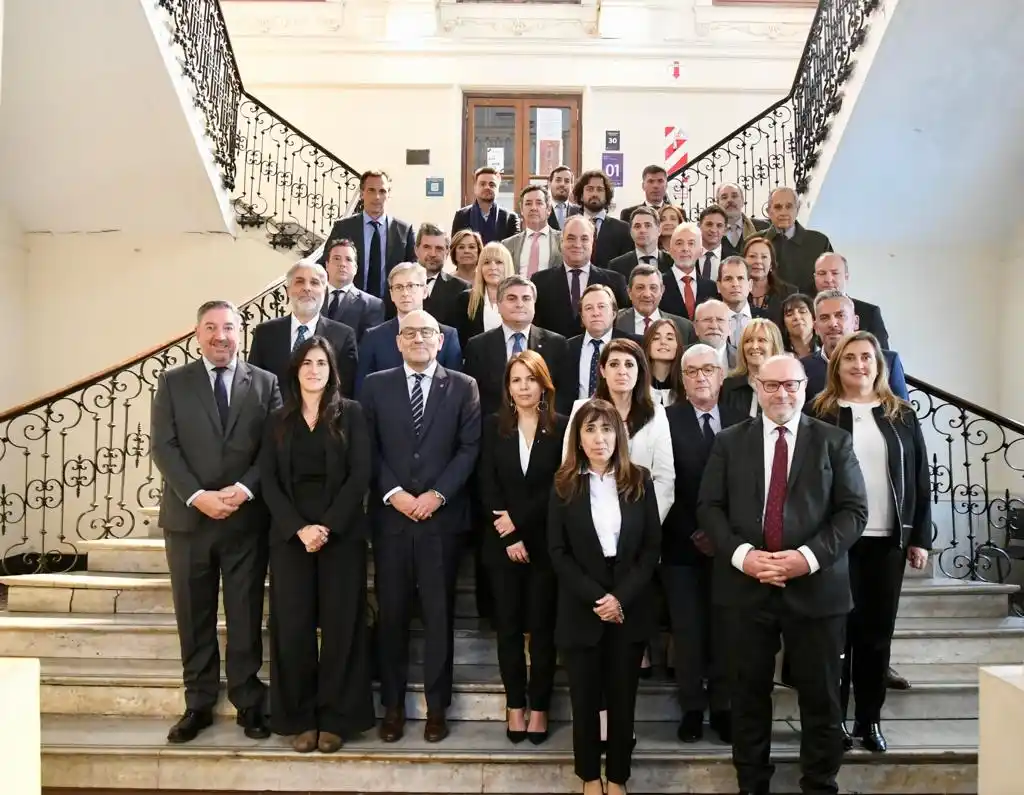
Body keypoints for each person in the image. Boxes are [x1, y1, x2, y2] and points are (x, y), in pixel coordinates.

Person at [697, 354, 868, 795]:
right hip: (744, 589)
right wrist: (742, 556)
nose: (782, 394)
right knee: (748, 698)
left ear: (804, 387)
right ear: (756, 385)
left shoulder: (834, 441)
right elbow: (709, 508)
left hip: (816, 589)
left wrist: (806, 558)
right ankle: (752, 786)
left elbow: (853, 512)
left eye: (791, 384)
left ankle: (819, 784)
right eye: (772, 385)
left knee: (822, 699)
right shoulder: (729, 442)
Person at [151, 300, 283, 744]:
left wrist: (244, 489)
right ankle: (199, 703)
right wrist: (198, 496)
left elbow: (274, 447)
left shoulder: (265, 383)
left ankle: (249, 701)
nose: (220, 336)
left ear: (240, 332)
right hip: (188, 521)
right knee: (195, 614)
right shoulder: (172, 383)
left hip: (246, 520)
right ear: (197, 334)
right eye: (211, 327)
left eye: (228, 326)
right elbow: (164, 447)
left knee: (245, 613)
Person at [360, 309, 482, 744]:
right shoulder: (375, 386)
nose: (417, 339)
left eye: (426, 332)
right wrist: (395, 494)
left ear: (440, 339)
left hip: (440, 523)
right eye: (409, 332)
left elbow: (469, 449)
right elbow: (367, 448)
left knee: (438, 619)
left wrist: (436, 496)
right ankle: (391, 708)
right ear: (397, 341)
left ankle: (436, 709)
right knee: (391, 618)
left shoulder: (464, 386)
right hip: (391, 522)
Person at [810, 331, 931, 753]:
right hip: (835, 544)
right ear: (837, 365)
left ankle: (869, 720)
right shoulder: (820, 413)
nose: (859, 365)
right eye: (850, 358)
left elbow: (919, 478)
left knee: (876, 636)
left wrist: (919, 536)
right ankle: (835, 723)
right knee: (836, 637)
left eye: (867, 357)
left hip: (887, 542)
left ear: (878, 364)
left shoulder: (902, 414)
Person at [259, 336, 374, 753]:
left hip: (340, 535)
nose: (313, 370)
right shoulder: (276, 420)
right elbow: (267, 480)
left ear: (332, 370)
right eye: (306, 363)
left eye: (321, 363)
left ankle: (338, 717)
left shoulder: (353, 414)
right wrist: (299, 528)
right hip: (290, 538)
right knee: (292, 628)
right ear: (295, 370)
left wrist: (326, 526)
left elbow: (360, 474)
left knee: (343, 626)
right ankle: (299, 717)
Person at [548, 399, 662, 795]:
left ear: (620, 435)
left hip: (628, 608)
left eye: (607, 429)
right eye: (590, 430)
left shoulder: (640, 480)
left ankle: (617, 778)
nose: (599, 439)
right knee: (583, 700)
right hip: (581, 606)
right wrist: (598, 598)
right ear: (578, 438)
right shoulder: (564, 483)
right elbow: (557, 551)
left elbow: (650, 549)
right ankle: (589, 779)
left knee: (621, 701)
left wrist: (620, 599)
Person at [478, 351, 568, 746]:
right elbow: (486, 483)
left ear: (543, 384)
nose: (524, 386)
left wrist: (520, 521)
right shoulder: (493, 426)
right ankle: (515, 705)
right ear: (508, 388)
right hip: (502, 545)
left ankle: (540, 706)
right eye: (516, 380)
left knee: (544, 632)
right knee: (510, 631)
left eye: (531, 379)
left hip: (547, 546)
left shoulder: (562, 428)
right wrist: (508, 533)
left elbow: (561, 485)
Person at [663, 344, 746, 743]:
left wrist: (723, 536)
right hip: (680, 546)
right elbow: (662, 484)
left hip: (730, 548)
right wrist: (692, 532)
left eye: (709, 370)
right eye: (692, 371)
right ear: (682, 378)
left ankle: (724, 707)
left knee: (728, 630)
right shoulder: (665, 420)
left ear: (721, 375)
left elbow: (748, 487)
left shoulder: (741, 419)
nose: (701, 377)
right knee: (689, 631)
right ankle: (692, 707)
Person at [566, 338, 675, 523]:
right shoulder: (581, 409)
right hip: (590, 520)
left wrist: (644, 524)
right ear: (602, 370)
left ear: (639, 371)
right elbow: (570, 468)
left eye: (629, 364)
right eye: (614, 364)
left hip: (641, 522)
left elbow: (664, 479)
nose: (622, 371)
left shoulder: (656, 414)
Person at [463, 275, 570, 417]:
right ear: (499, 305)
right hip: (493, 430)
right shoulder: (477, 346)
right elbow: (473, 398)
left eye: (526, 298)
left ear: (534, 304)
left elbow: (563, 394)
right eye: (512, 298)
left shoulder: (556, 344)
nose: (520, 304)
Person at [248, 261, 358, 398]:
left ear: (324, 291)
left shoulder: (343, 336)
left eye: (314, 283)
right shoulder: (265, 333)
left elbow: (345, 391)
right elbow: (254, 385)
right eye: (299, 282)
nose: (307, 288)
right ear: (288, 290)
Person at [355, 262, 462, 393]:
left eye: (411, 286)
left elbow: (456, 388)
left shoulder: (448, 335)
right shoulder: (373, 337)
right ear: (392, 294)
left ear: (425, 291)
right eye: (399, 287)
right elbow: (362, 389)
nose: (405, 293)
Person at [318, 170, 416, 306]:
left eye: (382, 191)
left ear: (389, 195)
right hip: (350, 307)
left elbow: (414, 270)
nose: (377, 197)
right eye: (371, 190)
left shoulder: (404, 230)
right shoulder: (343, 228)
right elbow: (325, 263)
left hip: (392, 308)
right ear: (362, 193)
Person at [531, 215, 629, 340]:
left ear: (592, 242)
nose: (577, 244)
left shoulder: (615, 281)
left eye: (584, 239)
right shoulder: (540, 282)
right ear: (561, 242)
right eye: (571, 238)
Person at [803, 290, 908, 401]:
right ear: (816, 327)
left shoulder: (888, 361)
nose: (833, 323)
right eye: (824, 318)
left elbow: (903, 413)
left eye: (840, 315)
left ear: (855, 322)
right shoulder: (803, 367)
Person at [564, 284, 642, 413]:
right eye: (589, 308)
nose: (595, 313)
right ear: (582, 316)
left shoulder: (634, 344)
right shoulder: (567, 347)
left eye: (601, 307)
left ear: (614, 313)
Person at [761, 186, 833, 295]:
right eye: (778, 207)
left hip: (809, 309)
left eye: (789, 206)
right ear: (769, 211)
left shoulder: (819, 242)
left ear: (798, 208)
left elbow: (830, 282)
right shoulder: (756, 242)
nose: (783, 212)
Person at [812, 253, 890, 349]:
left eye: (835, 273)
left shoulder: (869, 312)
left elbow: (883, 357)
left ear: (846, 277)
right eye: (822, 273)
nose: (828, 279)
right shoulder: (805, 314)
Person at [452, 242, 516, 349]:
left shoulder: (519, 300)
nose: (492, 267)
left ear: (507, 266)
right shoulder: (465, 299)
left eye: (499, 262)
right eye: (486, 262)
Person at [614, 263, 697, 344]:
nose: (647, 294)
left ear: (662, 291)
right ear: (629, 292)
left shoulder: (684, 328)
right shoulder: (614, 322)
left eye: (653, 288)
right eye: (640, 288)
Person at [322, 238, 386, 342]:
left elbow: (369, 345)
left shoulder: (372, 305)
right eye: (337, 258)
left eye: (348, 259)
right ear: (327, 265)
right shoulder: (314, 296)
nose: (342, 264)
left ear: (355, 268)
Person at [721, 318, 785, 418]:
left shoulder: (787, 385)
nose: (754, 346)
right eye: (748, 341)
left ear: (774, 346)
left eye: (761, 340)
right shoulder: (729, 386)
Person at [573, 169, 633, 269]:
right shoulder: (570, 227)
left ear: (607, 195)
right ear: (581, 195)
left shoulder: (623, 229)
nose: (595, 194)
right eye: (590, 189)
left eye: (600, 189)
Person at [660, 222, 717, 322]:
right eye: (679, 243)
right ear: (670, 250)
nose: (685, 249)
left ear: (700, 251)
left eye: (691, 243)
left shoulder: (711, 287)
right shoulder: (659, 283)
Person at [417, 223, 470, 328]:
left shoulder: (461, 289)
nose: (433, 254)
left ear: (447, 252)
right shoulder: (399, 284)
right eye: (427, 247)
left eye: (439, 248)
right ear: (416, 249)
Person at [503, 184, 563, 275]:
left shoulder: (563, 240)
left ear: (548, 209)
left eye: (539, 203)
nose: (533, 208)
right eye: (528, 203)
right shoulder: (507, 244)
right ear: (522, 210)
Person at [451, 166, 521, 244]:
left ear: (497, 189)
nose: (487, 187)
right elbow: (455, 249)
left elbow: (514, 251)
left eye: (492, 185)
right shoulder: (461, 216)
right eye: (482, 184)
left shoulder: (510, 218)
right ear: (475, 188)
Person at [607, 206, 674, 280]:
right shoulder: (616, 266)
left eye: (648, 225)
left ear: (659, 230)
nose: (642, 230)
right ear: (630, 232)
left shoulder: (672, 262)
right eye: (637, 226)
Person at [744, 236, 795, 323]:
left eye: (764, 257)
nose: (758, 261)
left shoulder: (789, 293)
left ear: (771, 264)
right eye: (752, 256)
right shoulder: (735, 291)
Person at [716, 182, 769, 256]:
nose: (730, 200)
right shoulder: (712, 232)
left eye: (734, 196)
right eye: (724, 197)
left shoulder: (763, 228)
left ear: (742, 200)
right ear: (718, 203)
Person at [643, 318, 685, 407]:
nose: (663, 342)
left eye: (669, 338)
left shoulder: (687, 385)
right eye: (656, 338)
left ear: (678, 345)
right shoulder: (637, 383)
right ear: (647, 344)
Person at [692, 299, 733, 371]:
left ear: (730, 327)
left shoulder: (744, 358)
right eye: (706, 319)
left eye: (720, 320)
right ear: (696, 327)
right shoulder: (679, 357)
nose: (714, 326)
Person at [780, 293, 819, 359]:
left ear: (814, 319)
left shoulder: (827, 353)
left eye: (802, 311)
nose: (797, 317)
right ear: (784, 324)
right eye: (789, 314)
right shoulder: (778, 357)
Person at [696, 205, 729, 281]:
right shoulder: (688, 254)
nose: (714, 230)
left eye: (719, 225)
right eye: (709, 224)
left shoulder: (734, 257)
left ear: (725, 230)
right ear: (699, 226)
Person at [547, 165, 579, 231]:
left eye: (567, 181)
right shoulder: (542, 211)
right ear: (549, 184)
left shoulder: (579, 212)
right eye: (558, 180)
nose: (562, 184)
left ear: (572, 186)